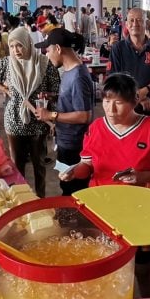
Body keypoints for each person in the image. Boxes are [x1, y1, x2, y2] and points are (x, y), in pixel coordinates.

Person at [60, 73, 150, 298]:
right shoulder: (96, 128)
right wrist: (75, 171)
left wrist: (142, 177)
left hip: (141, 214)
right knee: (106, 266)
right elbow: (88, 164)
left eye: (119, 103)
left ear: (135, 101)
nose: (110, 109)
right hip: (103, 211)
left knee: (142, 269)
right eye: (106, 101)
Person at [0, 28, 60, 197]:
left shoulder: (44, 64)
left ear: (28, 44)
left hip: (38, 121)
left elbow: (56, 91)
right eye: (12, 46)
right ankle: (21, 199)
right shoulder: (6, 63)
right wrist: (2, 87)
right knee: (17, 165)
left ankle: (40, 199)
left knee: (39, 164)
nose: (16, 50)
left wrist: (49, 101)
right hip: (14, 121)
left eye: (20, 45)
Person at [34, 28, 94, 195]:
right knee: (64, 181)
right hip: (65, 141)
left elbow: (84, 116)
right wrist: (54, 97)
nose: (47, 55)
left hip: (74, 145)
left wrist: (51, 115)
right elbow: (72, 102)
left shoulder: (78, 77)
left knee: (73, 188)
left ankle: (73, 218)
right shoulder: (69, 72)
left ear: (58, 49)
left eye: (48, 50)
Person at [110, 8, 150, 114]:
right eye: (131, 20)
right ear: (126, 25)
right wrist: (138, 97)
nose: (135, 24)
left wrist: (144, 91)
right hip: (125, 105)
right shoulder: (118, 48)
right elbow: (114, 80)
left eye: (139, 20)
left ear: (146, 23)